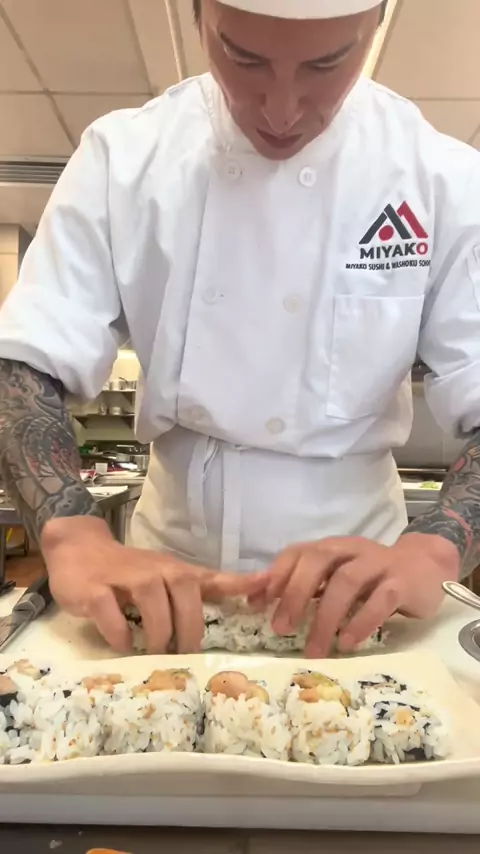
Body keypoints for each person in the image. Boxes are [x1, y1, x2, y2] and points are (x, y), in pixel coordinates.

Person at [0, 0, 479, 658]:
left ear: (373, 27)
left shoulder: (442, 179)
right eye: (244, 58)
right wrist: (69, 534)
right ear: (197, 18)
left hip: (363, 590)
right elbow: (24, 361)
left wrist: (437, 547)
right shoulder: (124, 158)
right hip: (164, 579)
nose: (281, 110)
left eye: (326, 63)